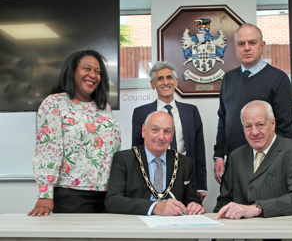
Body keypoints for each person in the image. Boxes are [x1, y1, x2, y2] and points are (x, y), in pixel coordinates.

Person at [28, 50, 121, 216]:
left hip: (108, 195)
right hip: (72, 194)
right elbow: (48, 150)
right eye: (87, 69)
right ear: (72, 72)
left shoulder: (104, 107)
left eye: (97, 71)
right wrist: (45, 194)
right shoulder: (54, 103)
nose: (92, 74)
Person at [214, 23, 292, 184]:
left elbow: (286, 126)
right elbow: (223, 120)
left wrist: (288, 164)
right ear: (236, 48)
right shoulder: (228, 79)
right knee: (231, 207)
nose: (246, 48)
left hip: (267, 164)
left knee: (262, 208)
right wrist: (219, 155)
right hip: (234, 163)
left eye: (252, 43)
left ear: (262, 46)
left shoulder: (278, 79)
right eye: (241, 44)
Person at [214, 100, 292, 219]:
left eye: (260, 124)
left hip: (281, 231)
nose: (254, 132)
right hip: (242, 233)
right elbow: (225, 200)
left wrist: (257, 208)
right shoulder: (235, 156)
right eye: (248, 126)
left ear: (273, 123)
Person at [132, 61, 207, 202]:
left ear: (176, 82)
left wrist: (201, 186)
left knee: (187, 216)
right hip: (153, 176)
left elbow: (199, 151)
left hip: (185, 178)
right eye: (160, 78)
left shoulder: (191, 111)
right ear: (153, 84)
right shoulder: (141, 113)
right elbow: (136, 151)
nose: (165, 82)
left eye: (169, 77)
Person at [106, 111, 205, 216]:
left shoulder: (184, 163)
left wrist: (195, 206)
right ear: (144, 131)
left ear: (172, 136)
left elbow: (192, 201)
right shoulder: (124, 159)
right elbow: (112, 201)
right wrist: (154, 207)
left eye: (167, 131)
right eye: (155, 130)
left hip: (174, 226)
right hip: (137, 225)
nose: (161, 137)